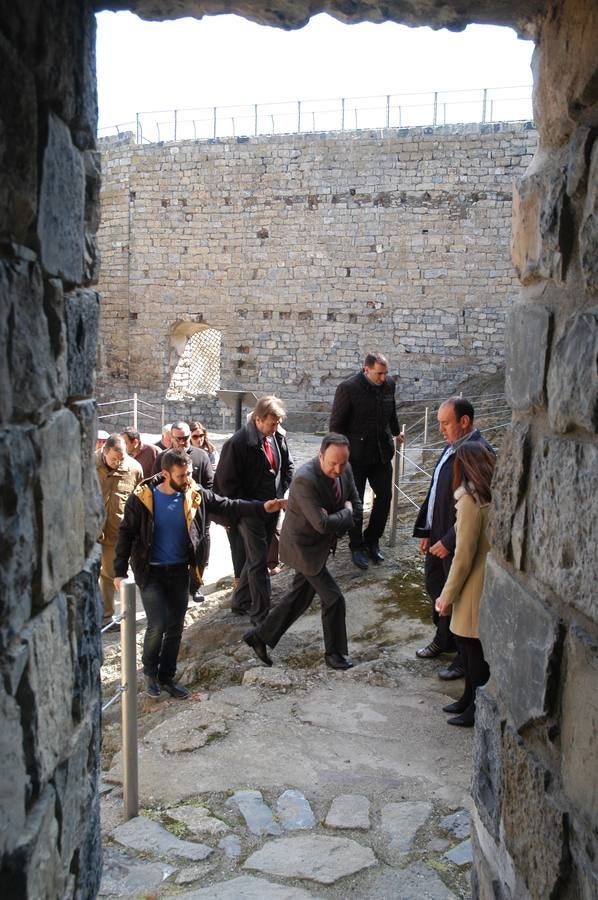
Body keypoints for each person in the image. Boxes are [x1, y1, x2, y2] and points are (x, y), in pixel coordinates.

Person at [113, 448, 286, 699]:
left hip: (180, 572)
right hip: (151, 573)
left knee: (175, 628)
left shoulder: (194, 493)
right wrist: (118, 571)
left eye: (190, 474)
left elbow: (227, 505)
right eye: (182, 475)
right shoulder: (142, 498)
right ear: (165, 473)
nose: (188, 479)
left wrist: (262, 507)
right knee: (158, 624)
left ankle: (167, 677)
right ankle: (150, 672)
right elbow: (126, 534)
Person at [244, 433, 361, 671]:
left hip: (320, 546)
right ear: (320, 455)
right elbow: (322, 523)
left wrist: (346, 512)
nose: (338, 469)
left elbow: (357, 506)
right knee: (334, 599)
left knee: (300, 597)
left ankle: (259, 636)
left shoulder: (345, 469)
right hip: (303, 548)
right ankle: (335, 654)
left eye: (343, 463)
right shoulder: (305, 479)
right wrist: (346, 513)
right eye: (332, 463)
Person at [413, 397, 493, 681]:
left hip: (455, 541)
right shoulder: (450, 448)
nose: (441, 430)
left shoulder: (478, 452)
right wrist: (426, 530)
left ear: (464, 421)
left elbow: (477, 505)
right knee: (435, 587)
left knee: (455, 597)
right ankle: (443, 639)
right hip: (438, 536)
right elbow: (436, 490)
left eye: (445, 423)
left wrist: (448, 540)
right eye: (439, 423)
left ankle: (463, 656)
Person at [215, 396, 294, 624]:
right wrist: (252, 507)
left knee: (255, 557)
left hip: (273, 507)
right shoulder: (237, 444)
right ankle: (261, 613)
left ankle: (240, 602)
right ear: (258, 420)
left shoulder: (277, 437)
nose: (275, 427)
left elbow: (287, 466)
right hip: (249, 511)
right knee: (259, 560)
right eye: (272, 423)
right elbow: (227, 485)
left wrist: (284, 492)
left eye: (278, 423)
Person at [435, 442, 496, 726]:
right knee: (469, 646)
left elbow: (463, 555)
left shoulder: (471, 502)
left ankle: (474, 708)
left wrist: (446, 596)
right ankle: (467, 699)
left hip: (474, 583)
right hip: (485, 577)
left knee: (471, 650)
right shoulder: (489, 495)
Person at [329, 351, 401, 570]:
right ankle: (356, 545)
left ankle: (373, 540)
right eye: (379, 373)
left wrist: (397, 433)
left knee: (385, 496)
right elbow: (336, 425)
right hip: (355, 457)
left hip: (381, 454)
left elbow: (391, 411)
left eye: (385, 373)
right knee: (356, 503)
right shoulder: (348, 388)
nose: (383, 378)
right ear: (366, 369)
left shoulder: (388, 384)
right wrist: (338, 454)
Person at [153, 420, 214, 602]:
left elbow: (210, 485)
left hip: (197, 514)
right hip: (171, 515)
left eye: (186, 438)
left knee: (200, 551)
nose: (183, 442)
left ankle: (194, 586)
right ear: (171, 438)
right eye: (178, 438)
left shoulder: (201, 456)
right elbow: (155, 483)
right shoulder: (163, 457)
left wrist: (200, 500)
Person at [95, 434, 143, 630]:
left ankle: (106, 617)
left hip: (115, 532)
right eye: (113, 458)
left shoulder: (134, 469)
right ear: (104, 452)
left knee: (110, 575)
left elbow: (139, 501)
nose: (117, 463)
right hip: (86, 532)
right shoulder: (86, 464)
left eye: (121, 459)